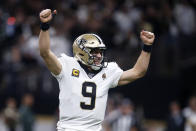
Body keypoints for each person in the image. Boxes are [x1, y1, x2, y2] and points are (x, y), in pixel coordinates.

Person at [38, 9, 155, 131]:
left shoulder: (108, 70)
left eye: (100, 52)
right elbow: (45, 52)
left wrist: (147, 47)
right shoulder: (67, 66)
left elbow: (138, 72)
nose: (99, 56)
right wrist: (45, 26)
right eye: (94, 51)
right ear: (81, 52)